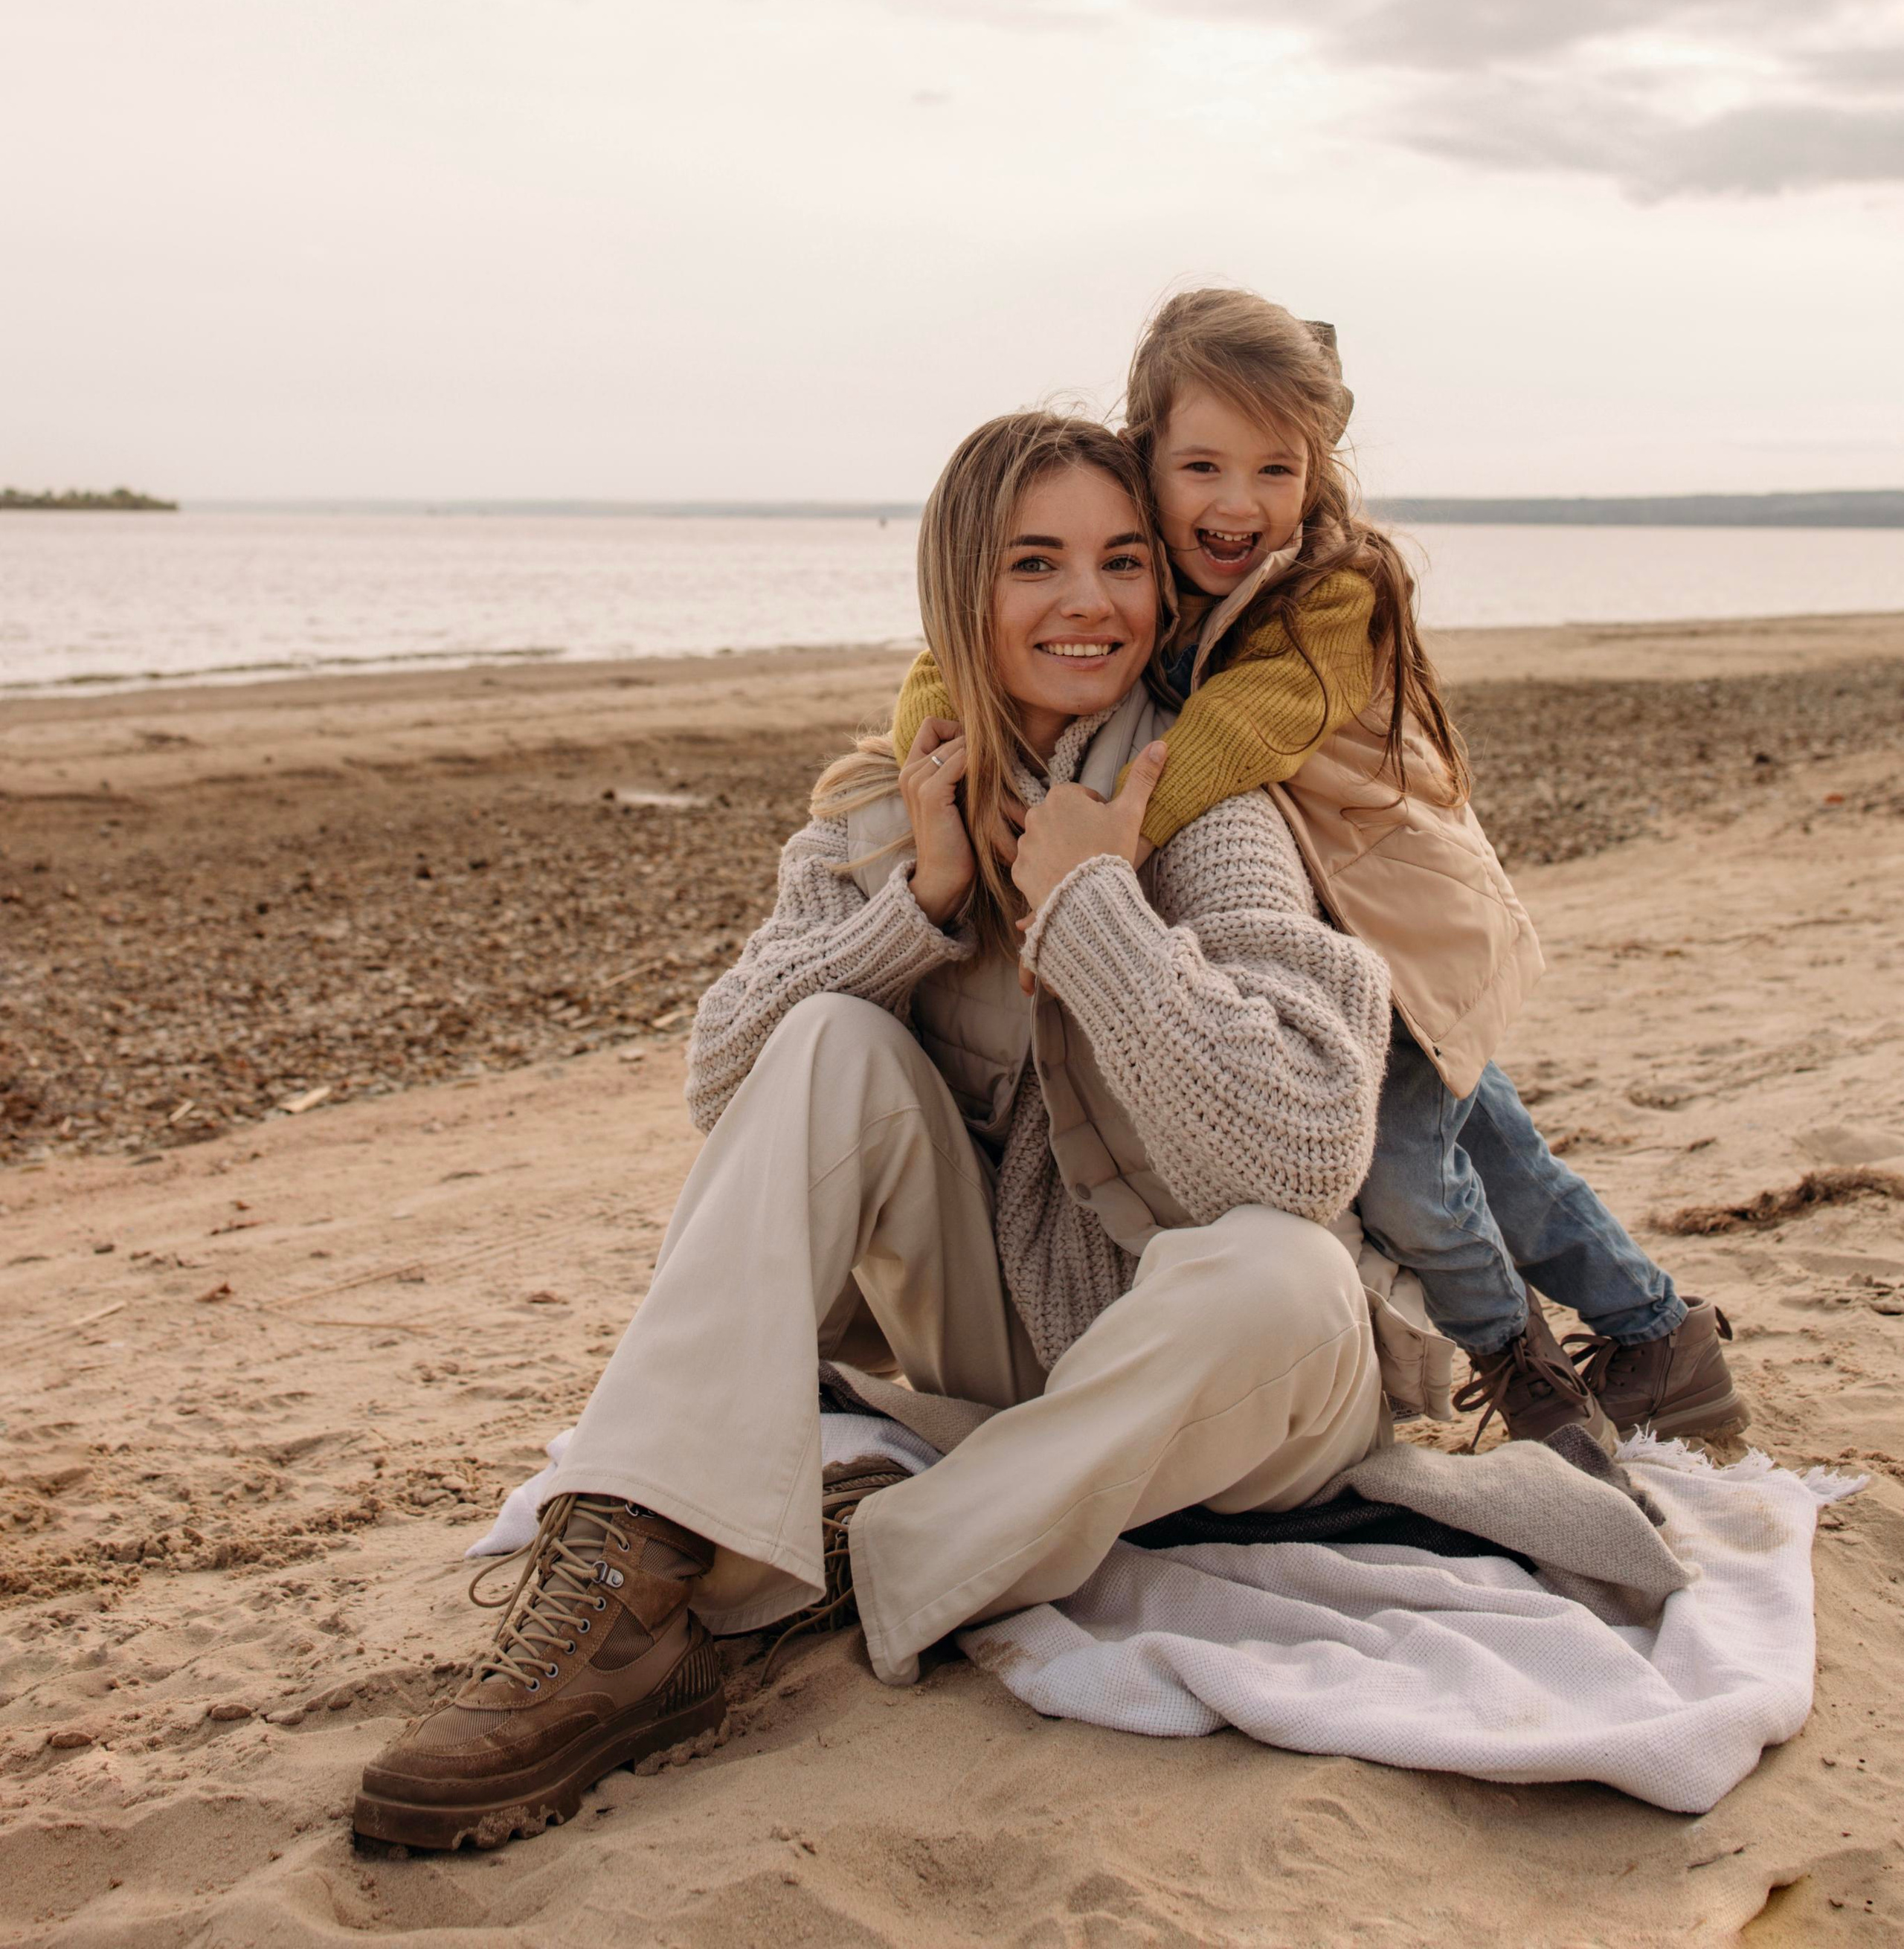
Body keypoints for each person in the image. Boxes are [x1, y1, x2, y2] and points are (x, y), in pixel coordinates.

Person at [354, 412, 1392, 1854]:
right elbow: (726, 1078)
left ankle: (833, 1566)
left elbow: (1294, 1155)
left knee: (1282, 1270)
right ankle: (625, 1589)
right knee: (823, 1035)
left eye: (1118, 561)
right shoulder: (874, 805)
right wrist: (913, 909)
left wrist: (1092, 903)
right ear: (958, 594)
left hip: (1235, 1383)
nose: (1084, 603)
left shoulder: (1200, 801)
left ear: (1162, 588)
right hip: (1006, 1351)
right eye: (1034, 564)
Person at [893, 290, 1741, 1452]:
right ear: (1145, 456)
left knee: (1402, 1166)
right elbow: (949, 657)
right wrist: (949, 756)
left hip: (1397, 918)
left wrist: (1097, 835)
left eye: (1275, 470)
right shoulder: (1146, 561)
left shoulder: (1336, 588)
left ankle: (1517, 1363)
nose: (1238, 504)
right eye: (1202, 466)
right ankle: (1660, 1338)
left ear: (1317, 470)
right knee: (1494, 1148)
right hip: (1329, 916)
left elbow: (1238, 734)